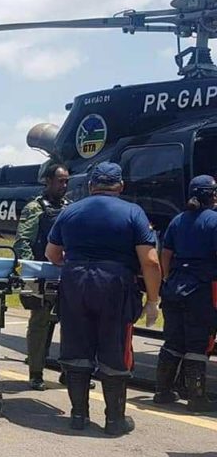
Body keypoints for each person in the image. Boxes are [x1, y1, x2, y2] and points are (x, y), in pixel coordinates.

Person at [45, 161, 161, 436]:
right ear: (120, 186)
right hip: (114, 285)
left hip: (75, 284)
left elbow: (52, 254)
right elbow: (150, 261)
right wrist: (153, 300)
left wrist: (76, 265)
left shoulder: (70, 211)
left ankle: (78, 415)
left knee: (76, 348)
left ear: (91, 185)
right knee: (114, 349)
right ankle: (114, 420)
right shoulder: (133, 212)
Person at [153, 175, 217, 412]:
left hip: (175, 288)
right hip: (200, 290)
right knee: (197, 344)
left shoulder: (177, 220)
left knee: (173, 341)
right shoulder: (214, 221)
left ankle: (162, 391)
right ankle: (196, 397)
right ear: (210, 195)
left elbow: (165, 254)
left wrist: (167, 279)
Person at [13, 163, 70, 391]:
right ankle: (36, 372)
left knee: (71, 323)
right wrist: (31, 271)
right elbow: (23, 242)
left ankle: (69, 371)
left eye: (66, 181)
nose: (64, 185)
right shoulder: (34, 208)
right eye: (60, 181)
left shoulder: (69, 208)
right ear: (47, 181)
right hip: (42, 274)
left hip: (65, 274)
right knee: (40, 323)